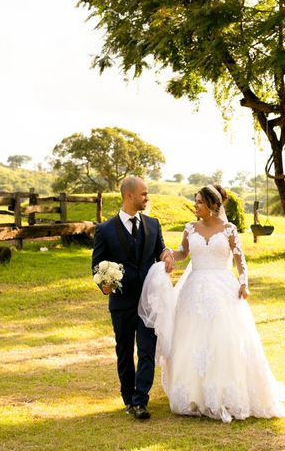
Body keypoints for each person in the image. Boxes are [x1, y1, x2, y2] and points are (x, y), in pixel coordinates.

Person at [139, 184, 285, 423]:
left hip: (223, 288)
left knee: (224, 338)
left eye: (199, 202)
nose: (195, 206)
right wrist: (167, 255)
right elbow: (182, 253)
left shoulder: (229, 229)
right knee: (191, 339)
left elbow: (240, 259)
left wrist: (243, 282)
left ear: (212, 205)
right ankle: (193, 394)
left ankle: (223, 392)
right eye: (195, 201)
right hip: (194, 289)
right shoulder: (190, 228)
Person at [92, 176, 174, 420]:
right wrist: (105, 285)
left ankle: (140, 401)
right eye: (144, 194)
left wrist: (166, 256)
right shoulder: (105, 230)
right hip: (122, 302)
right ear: (128, 195)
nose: (147, 198)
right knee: (125, 352)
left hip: (149, 301)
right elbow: (97, 264)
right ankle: (128, 398)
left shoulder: (153, 224)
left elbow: (160, 249)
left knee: (147, 351)